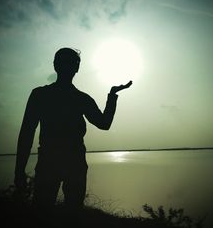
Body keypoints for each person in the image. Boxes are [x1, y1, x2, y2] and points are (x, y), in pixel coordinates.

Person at [14, 47, 132, 215]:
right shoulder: (50, 95)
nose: (68, 66)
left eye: (71, 63)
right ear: (57, 66)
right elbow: (26, 133)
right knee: (50, 214)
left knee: (60, 214)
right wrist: (19, 171)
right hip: (57, 162)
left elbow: (103, 124)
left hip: (67, 163)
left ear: (75, 67)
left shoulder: (66, 97)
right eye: (65, 63)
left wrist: (112, 96)